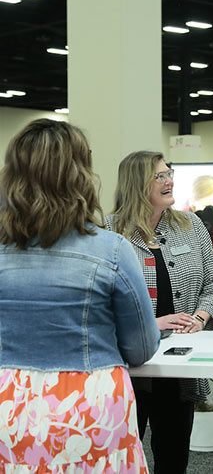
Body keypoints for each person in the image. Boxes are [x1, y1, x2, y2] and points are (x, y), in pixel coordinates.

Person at [0, 119, 160, 473]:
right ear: (80, 175)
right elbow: (141, 348)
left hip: (8, 406)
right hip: (89, 406)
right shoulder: (112, 250)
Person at [105, 151, 213, 474]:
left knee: (173, 458)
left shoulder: (191, 226)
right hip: (129, 369)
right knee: (120, 459)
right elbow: (99, 303)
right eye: (160, 176)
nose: (169, 180)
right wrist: (150, 324)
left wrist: (200, 317)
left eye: (169, 173)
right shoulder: (108, 232)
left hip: (178, 367)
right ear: (137, 184)